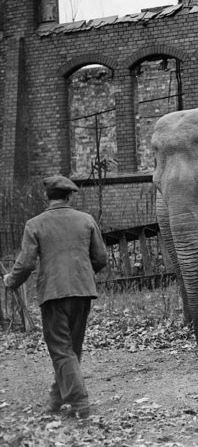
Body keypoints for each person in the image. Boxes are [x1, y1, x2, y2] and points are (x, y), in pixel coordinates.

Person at [3, 175, 108, 418]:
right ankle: (56, 398)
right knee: (71, 347)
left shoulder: (35, 224)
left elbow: (26, 263)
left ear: (47, 197)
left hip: (53, 293)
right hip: (82, 291)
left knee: (61, 349)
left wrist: (11, 280)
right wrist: (80, 274)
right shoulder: (86, 220)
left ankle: (80, 403)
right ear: (69, 196)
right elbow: (101, 258)